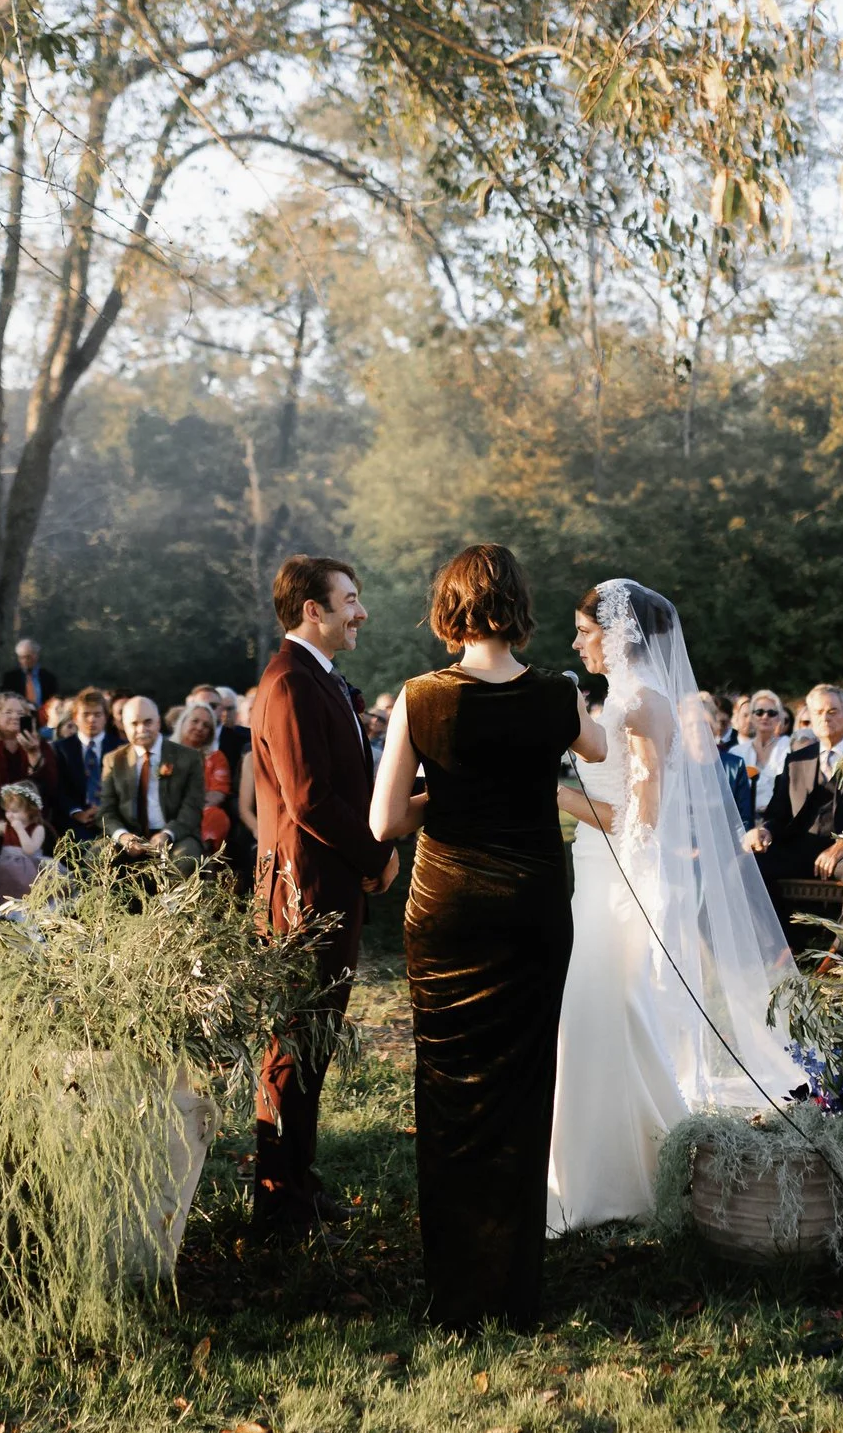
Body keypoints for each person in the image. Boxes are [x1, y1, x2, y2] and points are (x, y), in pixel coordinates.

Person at [369, 544, 594, 1328]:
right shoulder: (558, 693)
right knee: (524, 1092)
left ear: (449, 608)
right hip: (531, 908)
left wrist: (448, 790)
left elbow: (384, 820)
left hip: (448, 909)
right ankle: (513, 1290)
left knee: (449, 1088)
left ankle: (457, 1291)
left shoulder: (419, 696)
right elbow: (599, 750)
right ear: (520, 606)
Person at [546, 581, 800, 1233]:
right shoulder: (620, 699)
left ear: (617, 634)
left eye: (585, 631)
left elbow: (642, 819)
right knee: (596, 1013)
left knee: (605, 1009)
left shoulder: (641, 705)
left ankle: (627, 1172)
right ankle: (601, 1162)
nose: (576, 642)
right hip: (596, 873)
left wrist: (554, 796)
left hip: (620, 882)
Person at [252, 555, 399, 1239]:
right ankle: (279, 1204)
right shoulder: (289, 682)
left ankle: (299, 1185)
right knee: (294, 1046)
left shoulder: (320, 677)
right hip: (302, 893)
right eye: (350, 599)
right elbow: (308, 799)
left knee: (312, 1046)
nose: (360, 611)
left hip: (325, 885)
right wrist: (377, 855)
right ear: (314, 609)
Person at [742, 684, 843, 950]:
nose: (825, 718)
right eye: (818, 712)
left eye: (832, 711)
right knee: (745, 865)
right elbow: (778, 815)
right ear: (811, 718)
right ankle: (783, 946)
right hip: (800, 848)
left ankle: (842, 953)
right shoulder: (796, 760)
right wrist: (764, 830)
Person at [99, 694, 206, 861]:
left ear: (158, 722)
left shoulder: (188, 758)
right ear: (123, 726)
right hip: (129, 836)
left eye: (148, 722)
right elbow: (106, 811)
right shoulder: (113, 760)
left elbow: (192, 808)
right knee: (96, 856)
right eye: (134, 724)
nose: (141, 729)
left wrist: (167, 834)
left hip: (175, 835)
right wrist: (123, 836)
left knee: (185, 859)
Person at [0, 694, 64, 843]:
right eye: (8, 712)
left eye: (20, 713)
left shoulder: (39, 744)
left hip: (31, 823)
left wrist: (34, 755)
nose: (15, 716)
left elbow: (49, 786)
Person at [174, 701, 237, 859]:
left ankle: (203, 859)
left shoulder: (216, 757)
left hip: (201, 811)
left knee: (216, 816)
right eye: (195, 721)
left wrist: (190, 809)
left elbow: (218, 793)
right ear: (183, 722)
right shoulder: (164, 751)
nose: (200, 727)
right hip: (168, 811)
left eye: (206, 725)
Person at [51, 686, 114, 835]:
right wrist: (77, 812)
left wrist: (103, 810)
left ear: (106, 717)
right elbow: (58, 788)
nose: (92, 719)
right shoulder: (61, 749)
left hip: (112, 819)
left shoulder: (119, 748)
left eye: (97, 714)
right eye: (86, 714)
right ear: (75, 718)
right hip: (73, 822)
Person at [11, 638, 60, 711]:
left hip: (43, 715)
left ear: (36, 656)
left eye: (28, 657)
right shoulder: (11, 678)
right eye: (22, 657)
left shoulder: (49, 678)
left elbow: (54, 700)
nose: (25, 661)